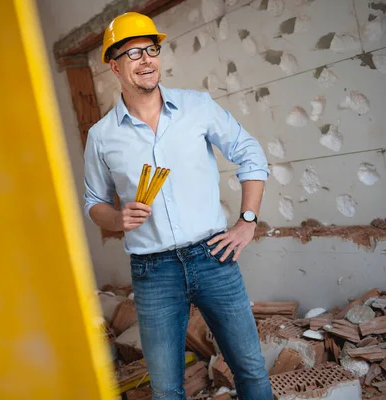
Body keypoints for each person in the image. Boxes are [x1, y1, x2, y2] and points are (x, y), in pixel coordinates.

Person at [83, 11, 273, 400]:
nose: (146, 60)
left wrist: (247, 220)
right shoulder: (101, 136)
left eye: (151, 49)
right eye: (132, 53)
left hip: (213, 258)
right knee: (166, 388)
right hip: (154, 272)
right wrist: (118, 218)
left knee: (250, 370)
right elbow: (94, 202)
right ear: (114, 66)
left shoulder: (197, 107)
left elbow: (250, 153)